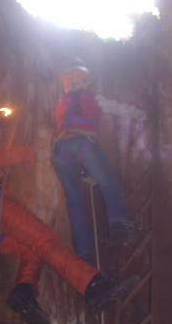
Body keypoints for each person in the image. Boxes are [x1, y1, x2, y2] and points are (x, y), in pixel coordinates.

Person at [0, 113, 125, 324]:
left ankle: (24, 292)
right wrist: (33, 151)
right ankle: (94, 286)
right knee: (44, 239)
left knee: (32, 251)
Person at [51, 64, 138, 262]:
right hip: (83, 144)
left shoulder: (62, 102)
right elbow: (118, 109)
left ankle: (84, 251)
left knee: (74, 201)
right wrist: (139, 115)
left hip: (60, 151)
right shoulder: (90, 97)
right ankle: (117, 222)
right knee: (109, 183)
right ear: (84, 81)